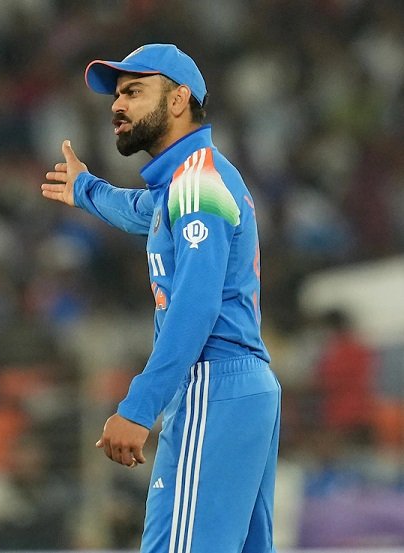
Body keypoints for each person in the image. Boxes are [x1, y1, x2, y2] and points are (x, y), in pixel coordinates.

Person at [41, 44, 280, 552]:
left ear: (177, 100)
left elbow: (196, 307)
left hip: (212, 384)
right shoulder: (194, 180)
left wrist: (138, 407)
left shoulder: (195, 183)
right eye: (117, 95)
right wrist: (85, 189)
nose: (117, 105)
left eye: (133, 91)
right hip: (239, 387)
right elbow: (140, 209)